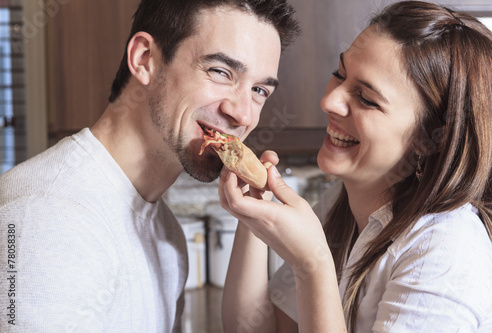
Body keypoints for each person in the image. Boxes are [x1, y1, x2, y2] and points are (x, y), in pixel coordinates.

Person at [0, 0, 299, 331]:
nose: (243, 114)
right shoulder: (47, 220)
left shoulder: (167, 232)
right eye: (220, 71)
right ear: (145, 60)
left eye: (259, 90)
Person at [219, 1, 492, 332]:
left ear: (429, 139)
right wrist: (254, 216)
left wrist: (312, 263)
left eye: (367, 99)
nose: (329, 101)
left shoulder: (445, 257)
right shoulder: (340, 204)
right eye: (339, 74)